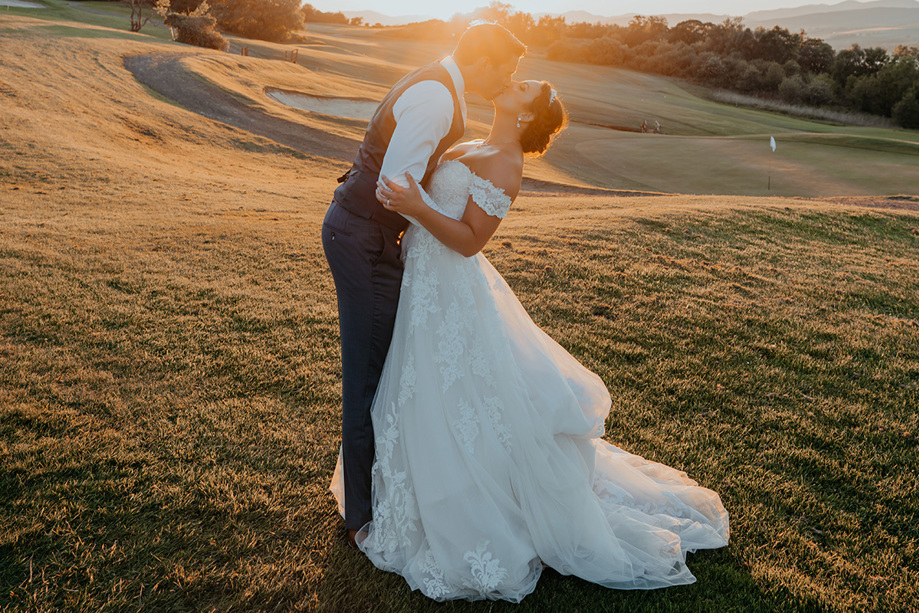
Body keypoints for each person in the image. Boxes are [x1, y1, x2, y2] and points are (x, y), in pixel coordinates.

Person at [330, 79, 730, 601]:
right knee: (417, 388)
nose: (511, 81)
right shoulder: (472, 144)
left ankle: (473, 504)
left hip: (448, 283)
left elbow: (472, 241)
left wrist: (418, 208)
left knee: (454, 396)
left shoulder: (506, 162)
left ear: (525, 115)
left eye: (524, 87)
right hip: (422, 281)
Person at [321, 23, 526, 549]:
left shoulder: (441, 85)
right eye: (504, 68)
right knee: (366, 375)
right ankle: (361, 519)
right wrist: (434, 223)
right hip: (364, 235)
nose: (507, 78)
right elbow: (395, 186)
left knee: (383, 367)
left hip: (373, 236)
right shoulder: (438, 99)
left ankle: (379, 490)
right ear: (479, 60)